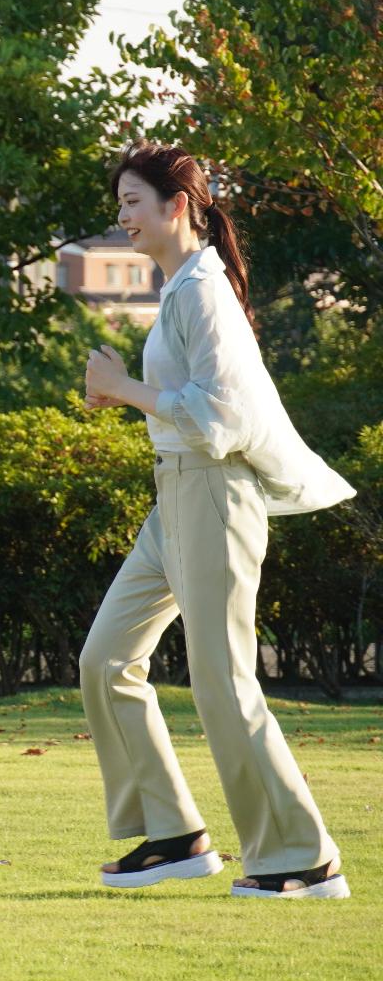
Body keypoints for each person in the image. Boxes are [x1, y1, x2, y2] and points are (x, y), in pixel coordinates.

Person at [81, 141, 354, 899]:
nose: (122, 219)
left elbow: (221, 419)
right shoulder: (178, 289)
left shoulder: (202, 290)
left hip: (213, 493)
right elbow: (189, 406)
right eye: (119, 207)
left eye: (132, 203)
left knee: (224, 682)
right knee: (105, 660)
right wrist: (126, 393)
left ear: (177, 206)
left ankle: (303, 855)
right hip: (173, 496)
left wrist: (125, 387)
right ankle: (173, 834)